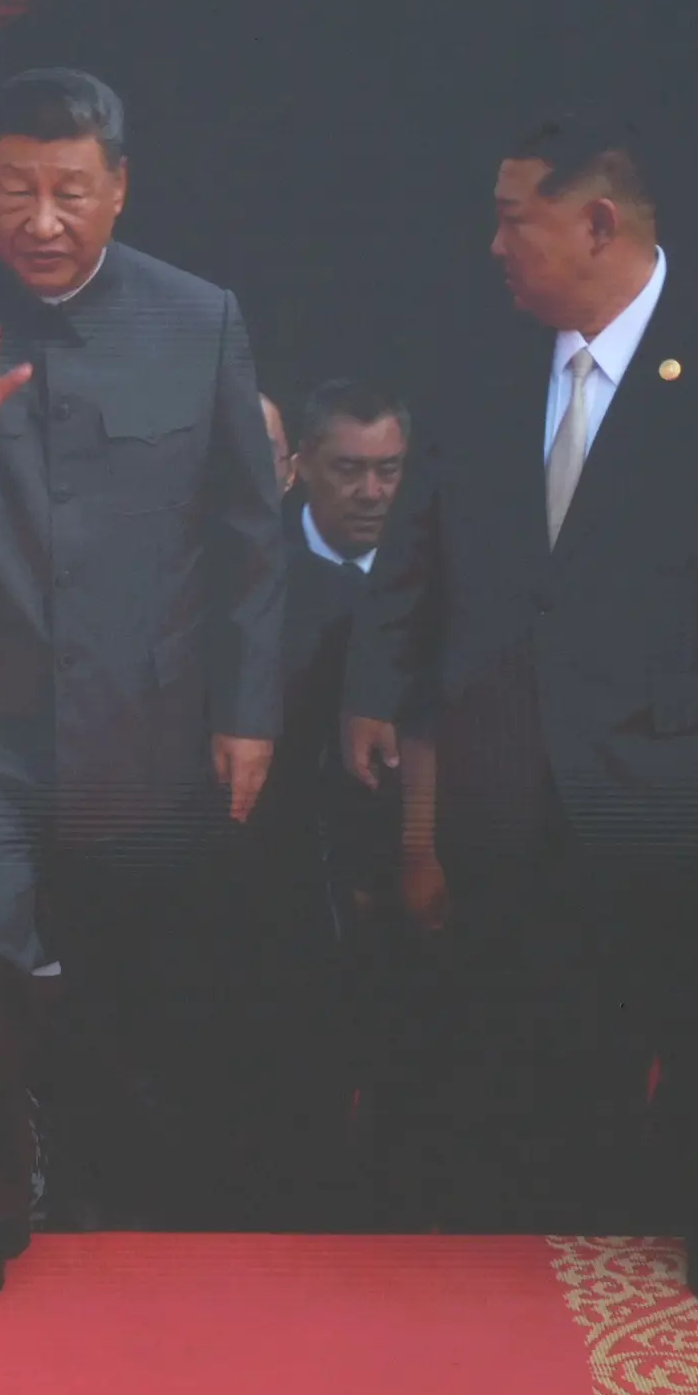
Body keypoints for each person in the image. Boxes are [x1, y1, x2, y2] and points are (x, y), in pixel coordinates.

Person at [345, 122, 698, 1307]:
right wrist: (376, 688)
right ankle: (548, 1236)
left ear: (597, 223)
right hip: (516, 760)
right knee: (537, 1015)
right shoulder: (484, 354)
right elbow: (417, 543)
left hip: (689, 756)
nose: (494, 244)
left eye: (514, 216)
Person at [0, 68, 283, 1311]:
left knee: (129, 978)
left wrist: (250, 713)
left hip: (149, 723)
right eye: (16, 190)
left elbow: (249, 532)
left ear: (119, 189)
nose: (41, 219)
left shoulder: (200, 320)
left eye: (70, 192)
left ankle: (119, 1199)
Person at [220, 380, 411, 1228]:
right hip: (273, 882)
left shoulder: (435, 572)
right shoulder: (251, 581)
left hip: (418, 863)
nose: (372, 493)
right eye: (349, 471)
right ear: (300, 469)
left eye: (390, 471)